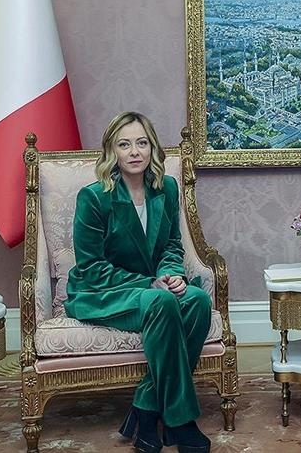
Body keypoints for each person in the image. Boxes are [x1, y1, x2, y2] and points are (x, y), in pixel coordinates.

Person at [64, 111, 212, 453]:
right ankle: (180, 421)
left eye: (142, 143)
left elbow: (172, 245)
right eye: (125, 144)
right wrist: (151, 284)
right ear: (112, 151)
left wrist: (172, 274)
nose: (134, 152)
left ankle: (146, 409)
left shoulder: (166, 188)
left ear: (153, 148)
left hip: (152, 288)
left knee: (198, 300)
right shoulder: (94, 197)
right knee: (161, 300)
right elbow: (91, 267)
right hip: (102, 292)